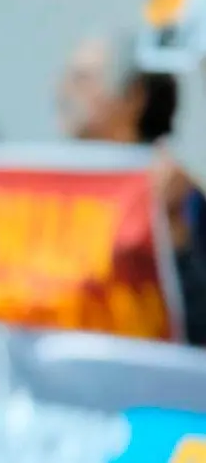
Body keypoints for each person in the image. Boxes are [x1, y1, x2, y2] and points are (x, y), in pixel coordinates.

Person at [58, 32, 206, 344]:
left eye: (82, 79)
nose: (62, 92)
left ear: (134, 97)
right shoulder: (57, 196)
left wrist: (176, 231)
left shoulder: (181, 194)